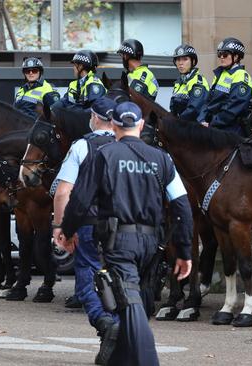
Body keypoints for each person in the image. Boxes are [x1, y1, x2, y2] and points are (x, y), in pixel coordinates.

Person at [56, 102, 193, 366]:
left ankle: (146, 360)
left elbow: (81, 199)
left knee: (130, 304)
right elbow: (181, 205)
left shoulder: (104, 154)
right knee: (129, 300)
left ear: (115, 126)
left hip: (119, 241)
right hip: (152, 244)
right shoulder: (162, 158)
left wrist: (67, 229)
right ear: (141, 125)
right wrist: (184, 250)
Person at [52, 97, 118, 364]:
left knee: (87, 280)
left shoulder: (82, 145)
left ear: (94, 117)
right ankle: (114, 336)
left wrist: (61, 226)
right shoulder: (129, 147)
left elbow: (63, 190)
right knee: (122, 282)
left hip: (89, 224)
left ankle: (105, 324)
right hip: (125, 227)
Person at [202, 37, 252, 136]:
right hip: (216, 125)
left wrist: (213, 123)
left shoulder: (241, 75)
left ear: (236, 57)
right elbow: (209, 101)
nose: (221, 57)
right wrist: (204, 119)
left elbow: (234, 107)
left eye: (225, 54)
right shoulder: (220, 75)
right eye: (219, 54)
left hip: (232, 127)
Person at [169, 44, 210, 122]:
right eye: (178, 60)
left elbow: (193, 110)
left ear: (193, 61)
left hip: (194, 127)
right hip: (181, 125)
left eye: (185, 59)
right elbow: (173, 107)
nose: (180, 63)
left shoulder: (198, 81)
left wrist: (176, 122)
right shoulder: (179, 82)